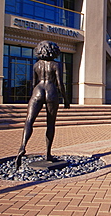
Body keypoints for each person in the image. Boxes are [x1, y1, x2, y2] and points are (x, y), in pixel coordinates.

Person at [15, 41, 70, 169]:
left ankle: (22, 147)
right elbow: (60, 83)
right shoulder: (56, 65)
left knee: (29, 120)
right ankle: (48, 153)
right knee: (50, 123)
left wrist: (32, 97)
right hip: (51, 91)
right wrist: (66, 99)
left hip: (38, 90)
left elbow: (33, 83)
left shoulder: (36, 65)